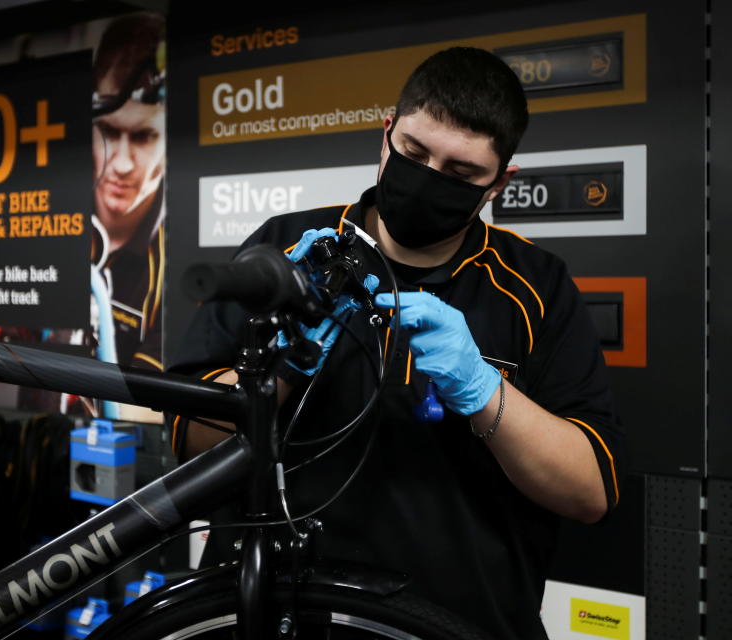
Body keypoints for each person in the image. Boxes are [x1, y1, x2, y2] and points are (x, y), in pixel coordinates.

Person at [168, 47, 624, 640]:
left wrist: (482, 389)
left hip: (462, 623)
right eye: (413, 152)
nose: (429, 177)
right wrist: (284, 365)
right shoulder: (287, 249)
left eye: (460, 174)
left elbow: (589, 492)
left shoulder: (536, 285)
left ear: (499, 183)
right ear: (386, 134)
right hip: (276, 615)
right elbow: (187, 437)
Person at [87, 12, 166, 373]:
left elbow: (146, 407)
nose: (119, 164)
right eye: (108, 130)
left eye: (141, 136)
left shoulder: (176, 263)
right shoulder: (50, 222)